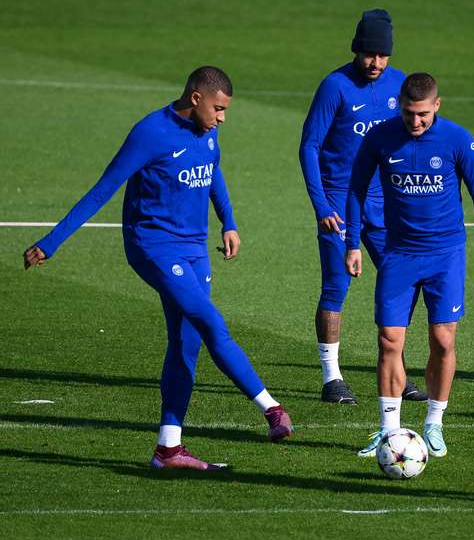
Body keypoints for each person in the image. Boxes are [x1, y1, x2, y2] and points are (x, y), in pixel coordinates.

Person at [23, 66, 293, 471]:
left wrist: (229, 221)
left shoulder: (208, 131)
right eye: (218, 109)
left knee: (187, 344)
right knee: (209, 321)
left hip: (194, 249)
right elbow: (102, 189)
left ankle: (168, 449)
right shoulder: (150, 133)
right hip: (152, 247)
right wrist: (52, 242)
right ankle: (271, 408)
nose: (223, 118)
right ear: (197, 98)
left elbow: (213, 170)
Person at [344, 72, 474, 458]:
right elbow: (356, 189)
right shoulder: (380, 137)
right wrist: (352, 244)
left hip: (445, 254)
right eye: (408, 113)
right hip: (398, 254)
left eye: (422, 115)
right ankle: (388, 431)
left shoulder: (457, 139)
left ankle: (434, 422)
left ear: (437, 105)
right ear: (399, 105)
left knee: (443, 340)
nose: (415, 122)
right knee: (389, 341)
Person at [299, 8, 426, 404]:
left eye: (382, 56)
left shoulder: (401, 84)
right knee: (336, 286)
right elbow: (309, 146)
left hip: (385, 204)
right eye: (369, 54)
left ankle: (396, 372)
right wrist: (320, 204)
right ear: (356, 50)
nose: (375, 63)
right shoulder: (335, 87)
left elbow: (414, 141)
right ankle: (331, 378)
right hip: (338, 200)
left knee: (400, 283)